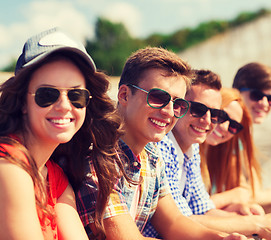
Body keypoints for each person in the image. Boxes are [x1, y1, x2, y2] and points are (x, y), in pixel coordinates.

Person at [74, 47, 248, 240]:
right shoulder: (97, 155)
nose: (169, 111)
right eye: (158, 98)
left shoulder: (151, 154)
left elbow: (173, 222)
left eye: (178, 104)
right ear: (124, 95)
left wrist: (223, 238)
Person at [144, 70, 271, 240]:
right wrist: (259, 224)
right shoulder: (162, 146)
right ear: (179, 106)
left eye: (215, 114)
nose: (207, 120)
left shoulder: (192, 148)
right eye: (198, 109)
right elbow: (182, 221)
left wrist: (267, 222)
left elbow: (203, 209)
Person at [0, 27, 99, 239]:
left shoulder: (54, 176)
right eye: (47, 94)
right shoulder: (8, 166)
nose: (64, 105)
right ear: (23, 102)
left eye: (76, 95)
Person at [201, 87, 271, 215]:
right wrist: (231, 196)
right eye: (221, 116)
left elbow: (247, 189)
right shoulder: (188, 150)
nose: (225, 127)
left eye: (234, 127)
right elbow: (189, 210)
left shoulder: (224, 151)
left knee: (268, 211)